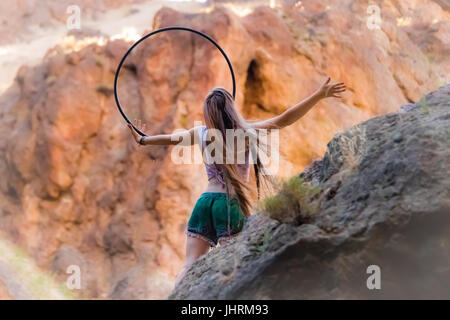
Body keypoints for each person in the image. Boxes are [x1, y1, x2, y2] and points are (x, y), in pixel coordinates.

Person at [127, 77, 345, 285]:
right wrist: (318, 95)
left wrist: (143, 140)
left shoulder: (201, 134)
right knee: (237, 266)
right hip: (228, 205)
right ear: (231, 108)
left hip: (204, 203)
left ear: (208, 113)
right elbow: (284, 119)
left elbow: (169, 139)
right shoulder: (246, 132)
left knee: (188, 266)